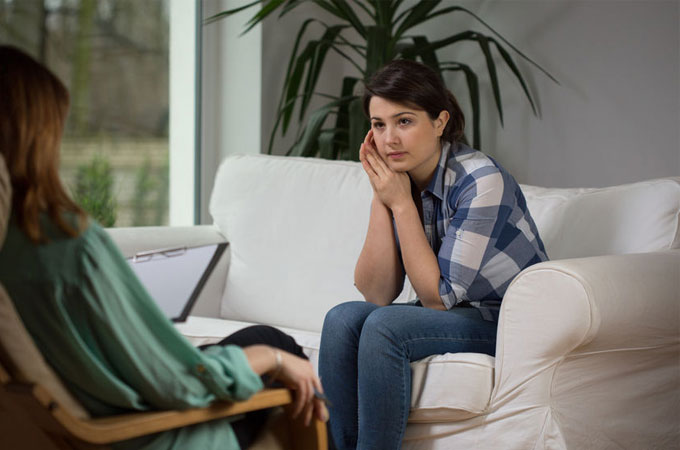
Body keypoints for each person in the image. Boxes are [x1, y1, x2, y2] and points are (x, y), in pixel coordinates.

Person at [0, 45, 328, 450]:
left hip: (68, 421)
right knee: (276, 345)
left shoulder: (12, 247)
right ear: (38, 133)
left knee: (250, 340)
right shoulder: (64, 246)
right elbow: (180, 385)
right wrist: (274, 360)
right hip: (150, 434)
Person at [318, 59, 548, 450]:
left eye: (404, 121)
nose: (389, 139)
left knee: (385, 327)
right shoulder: (400, 178)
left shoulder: (480, 179)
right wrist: (382, 197)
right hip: (454, 314)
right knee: (342, 319)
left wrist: (402, 206)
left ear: (440, 122)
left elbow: (437, 300)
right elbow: (376, 293)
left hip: (504, 322)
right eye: (379, 124)